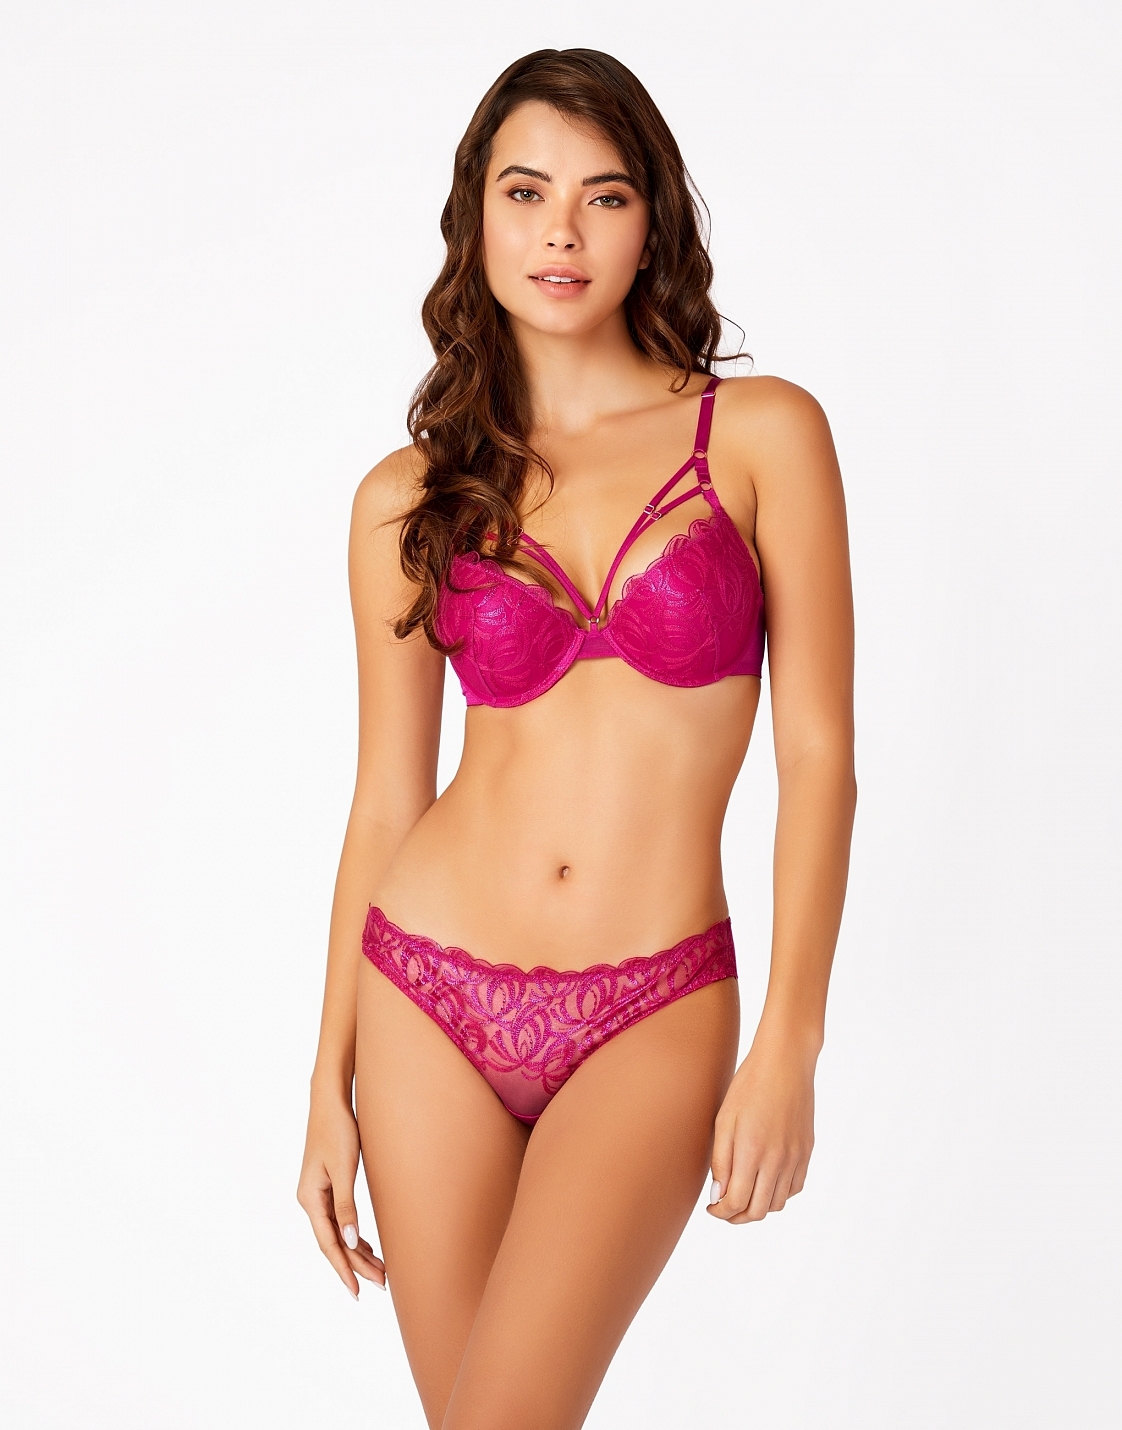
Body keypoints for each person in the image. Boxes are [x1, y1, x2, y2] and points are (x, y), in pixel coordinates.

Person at [297, 47, 855, 1430]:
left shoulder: (761, 435)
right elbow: (384, 802)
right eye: (525, 192)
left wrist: (791, 1036)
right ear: (474, 218)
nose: (561, 232)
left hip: (652, 1003)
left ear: (651, 220)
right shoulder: (406, 498)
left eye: (603, 197)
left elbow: (819, 759)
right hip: (424, 991)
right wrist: (325, 1082)